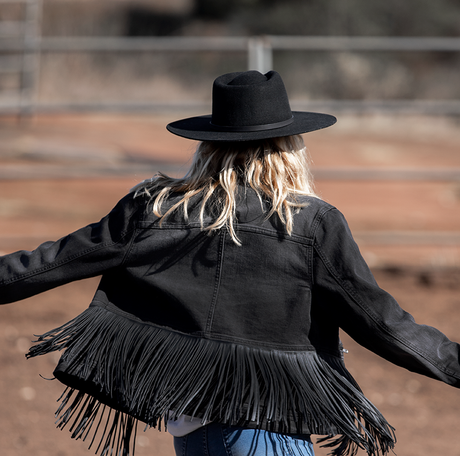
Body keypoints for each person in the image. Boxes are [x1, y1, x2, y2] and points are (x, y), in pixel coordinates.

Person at [1, 70, 460, 456]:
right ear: (290, 146)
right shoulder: (310, 223)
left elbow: (47, 263)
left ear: (208, 143)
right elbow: (384, 325)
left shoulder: (154, 208)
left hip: (195, 426)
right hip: (267, 427)